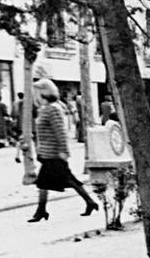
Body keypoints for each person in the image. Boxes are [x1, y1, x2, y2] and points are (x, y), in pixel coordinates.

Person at [27, 80, 99, 222]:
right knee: (65, 180)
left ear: (44, 92)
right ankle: (90, 202)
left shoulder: (53, 108)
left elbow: (60, 131)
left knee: (44, 182)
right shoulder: (45, 109)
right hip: (48, 153)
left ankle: (41, 211)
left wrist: (64, 151)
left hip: (54, 153)